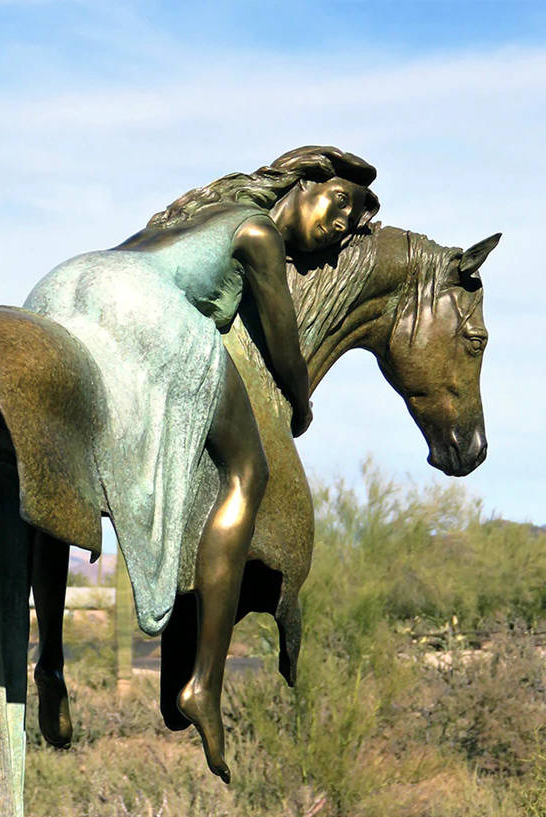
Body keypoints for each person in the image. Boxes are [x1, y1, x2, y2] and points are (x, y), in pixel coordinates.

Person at [25, 146, 379, 782]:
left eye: (354, 220)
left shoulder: (183, 219)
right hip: (139, 305)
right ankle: (203, 685)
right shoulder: (256, 232)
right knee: (249, 472)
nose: (342, 222)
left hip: (59, 286)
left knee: (54, 469)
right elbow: (285, 343)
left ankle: (49, 658)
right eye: (341, 201)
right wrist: (300, 403)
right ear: (302, 183)